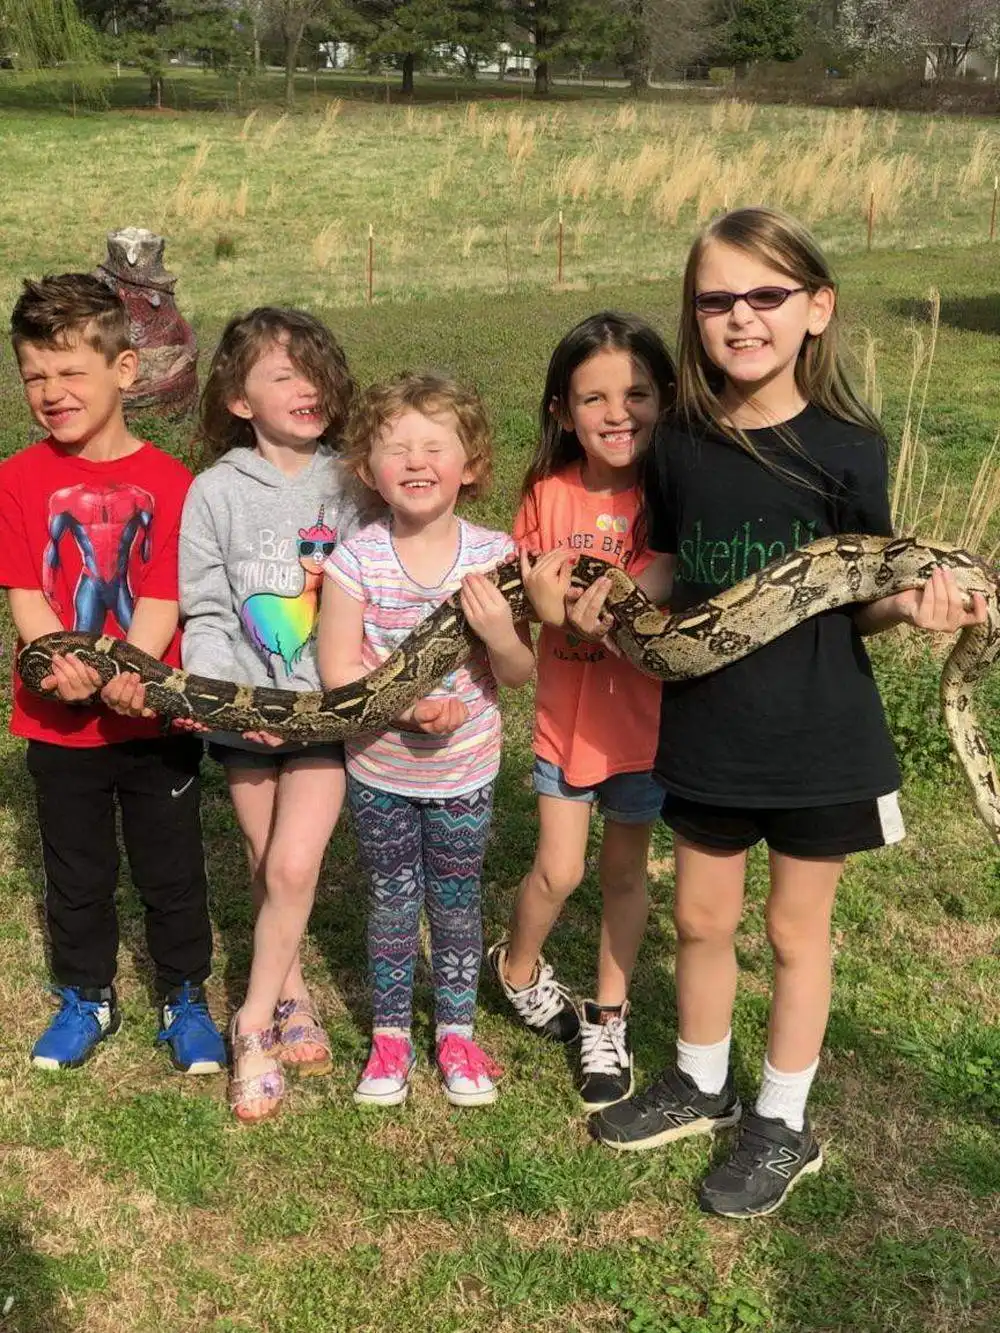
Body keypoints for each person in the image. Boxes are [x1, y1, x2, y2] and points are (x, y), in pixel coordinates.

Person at [580, 207, 986, 1217]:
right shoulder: (679, 438)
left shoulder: (849, 445)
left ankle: (782, 1119)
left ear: (817, 308)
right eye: (716, 299)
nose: (741, 317)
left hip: (818, 734)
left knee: (796, 932)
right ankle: (700, 1081)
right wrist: (604, 593)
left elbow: (869, 587)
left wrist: (917, 607)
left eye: (766, 295)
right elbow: (669, 563)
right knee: (700, 917)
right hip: (708, 725)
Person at [0, 273, 225, 1074]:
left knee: (172, 867)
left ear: (124, 370)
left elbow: (163, 596)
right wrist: (62, 668)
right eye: (34, 375)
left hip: (150, 713)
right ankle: (85, 994)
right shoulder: (16, 478)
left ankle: (184, 995)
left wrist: (133, 676)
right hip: (55, 718)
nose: (51, 391)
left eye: (70, 371)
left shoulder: (173, 482)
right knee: (76, 869)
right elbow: (27, 593)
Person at [319, 373, 534, 1108]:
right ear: (366, 469)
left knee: (456, 897)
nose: (416, 461)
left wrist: (500, 630)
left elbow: (517, 673)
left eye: (434, 446)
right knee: (389, 896)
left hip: (465, 771)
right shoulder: (356, 560)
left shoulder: (497, 557)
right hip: (379, 767)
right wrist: (406, 710)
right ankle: (390, 1036)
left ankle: (456, 1032)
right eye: (396, 448)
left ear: (470, 464)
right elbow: (338, 672)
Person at [487, 312, 677, 1112]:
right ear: (562, 411)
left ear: (666, 399)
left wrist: (607, 599)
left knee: (625, 873)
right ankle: (516, 969)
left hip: (646, 729)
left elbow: (664, 576)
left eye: (636, 394)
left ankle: (608, 1016)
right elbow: (525, 592)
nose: (617, 413)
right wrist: (556, 609)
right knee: (558, 870)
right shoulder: (547, 493)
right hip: (566, 724)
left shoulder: (672, 494)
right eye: (593, 398)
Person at [178, 307, 359, 1123]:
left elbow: (372, 592)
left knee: (291, 866)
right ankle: (292, 991)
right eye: (284, 374)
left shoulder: (352, 483)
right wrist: (228, 697)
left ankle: (250, 1021)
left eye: (315, 371)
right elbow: (207, 610)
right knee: (263, 859)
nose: (305, 387)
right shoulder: (213, 492)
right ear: (240, 399)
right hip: (242, 716)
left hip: (323, 714)